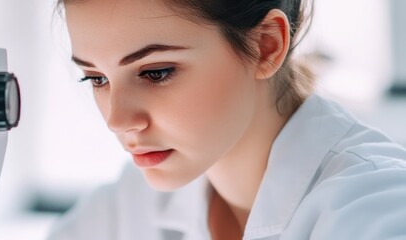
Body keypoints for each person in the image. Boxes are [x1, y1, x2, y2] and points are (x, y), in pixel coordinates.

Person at [46, 0, 406, 239]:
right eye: (97, 79)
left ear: (266, 46)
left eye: (156, 72)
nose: (118, 120)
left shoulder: (374, 207)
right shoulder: (131, 201)